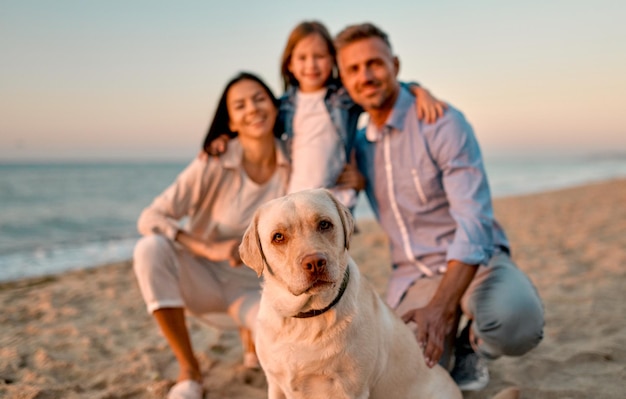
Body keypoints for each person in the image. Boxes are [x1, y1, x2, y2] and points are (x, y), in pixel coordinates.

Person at [334, 23, 544, 392]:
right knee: (402, 368)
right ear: (344, 81)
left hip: (476, 262)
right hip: (413, 276)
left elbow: (475, 223)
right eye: (353, 69)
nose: (365, 76)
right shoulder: (355, 145)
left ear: (395, 65)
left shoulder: (441, 123)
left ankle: (472, 344)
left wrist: (443, 307)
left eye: (375, 63)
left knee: (515, 322)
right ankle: (445, 339)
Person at [133, 72, 290, 399]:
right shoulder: (214, 160)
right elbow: (151, 217)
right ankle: (189, 370)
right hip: (202, 278)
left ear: (274, 107)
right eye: (240, 105)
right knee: (150, 249)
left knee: (285, 342)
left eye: (260, 98)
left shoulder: (295, 162)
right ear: (231, 121)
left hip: (257, 289)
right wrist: (206, 247)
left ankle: (250, 334)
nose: (253, 109)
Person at [203, 21, 447, 208]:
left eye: (319, 57)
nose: (311, 65)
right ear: (290, 64)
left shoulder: (344, 98)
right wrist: (224, 137)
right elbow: (255, 127)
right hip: (292, 198)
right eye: (302, 58)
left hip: (336, 199)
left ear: (333, 61)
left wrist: (418, 90)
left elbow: (384, 88)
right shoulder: (283, 106)